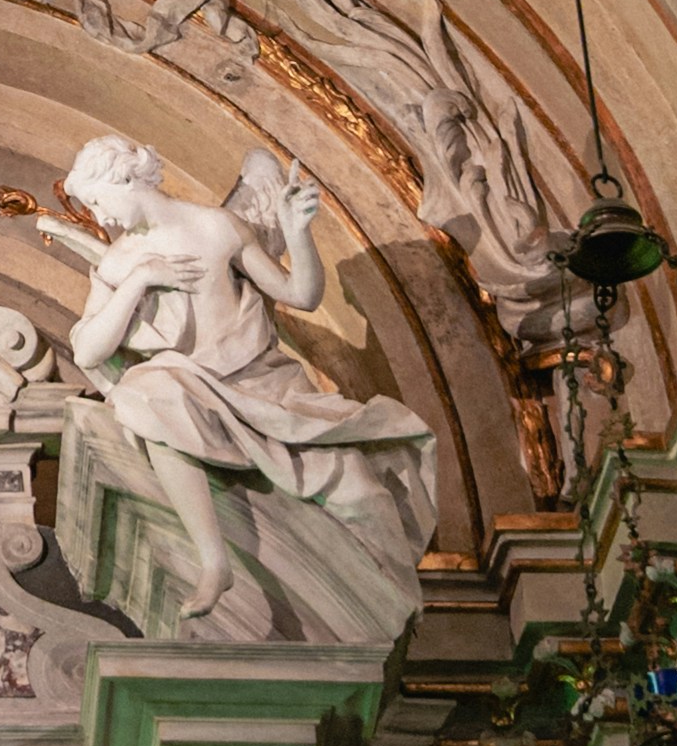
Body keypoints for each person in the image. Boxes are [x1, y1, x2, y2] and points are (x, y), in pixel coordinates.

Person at [60, 135, 436, 635]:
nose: (101, 219)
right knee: (149, 395)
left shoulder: (217, 228)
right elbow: (87, 351)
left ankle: (395, 613)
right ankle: (214, 561)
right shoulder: (120, 262)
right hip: (191, 386)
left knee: (362, 494)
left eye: (99, 202)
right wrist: (141, 280)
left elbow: (299, 294)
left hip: (265, 387)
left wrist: (298, 233)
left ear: (124, 179)